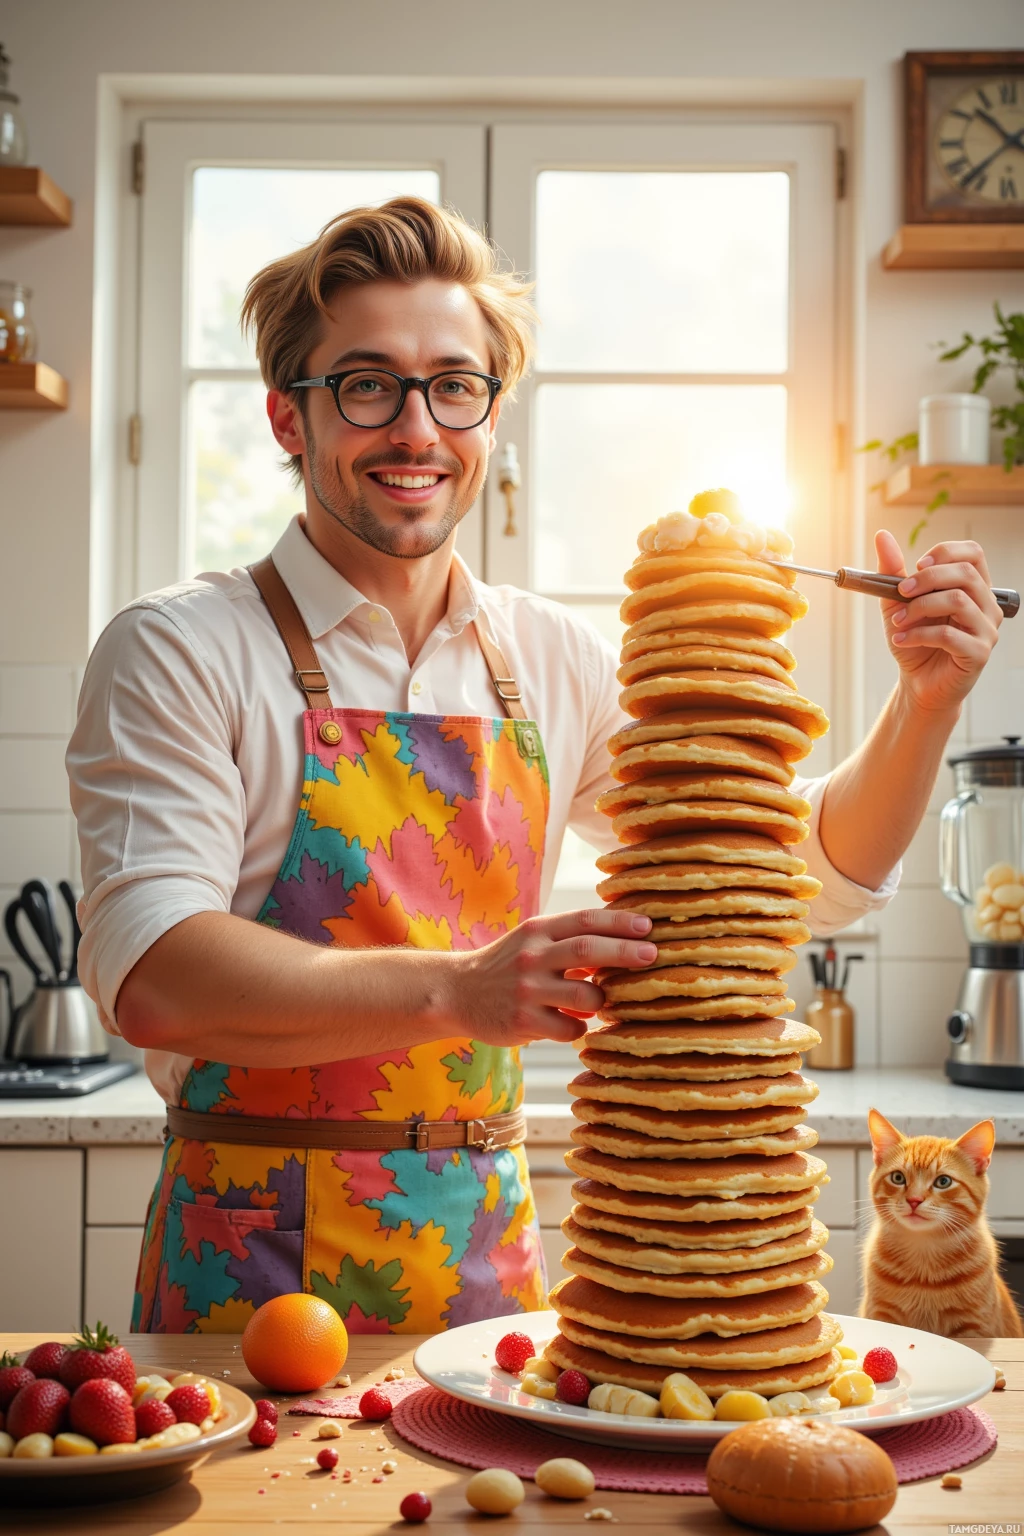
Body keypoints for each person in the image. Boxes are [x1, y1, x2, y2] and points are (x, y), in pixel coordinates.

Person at [67, 198, 1003, 1334]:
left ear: (491, 420)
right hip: (242, 1291)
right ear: (286, 417)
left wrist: (923, 703)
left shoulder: (552, 657)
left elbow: (798, 874)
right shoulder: (178, 647)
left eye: (454, 385)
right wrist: (459, 989)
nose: (417, 427)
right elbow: (156, 976)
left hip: (494, 1296)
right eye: (367, 383)